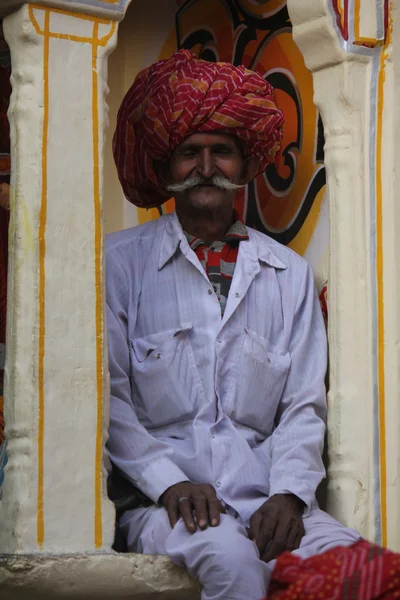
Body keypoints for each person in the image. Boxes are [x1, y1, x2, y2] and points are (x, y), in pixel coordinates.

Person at [106, 50, 360, 600]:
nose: (205, 166)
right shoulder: (118, 265)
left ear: (245, 168)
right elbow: (109, 400)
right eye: (189, 153)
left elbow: (302, 405)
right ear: (165, 168)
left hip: (269, 500)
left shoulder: (288, 273)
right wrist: (169, 482)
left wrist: (291, 494)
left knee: (358, 573)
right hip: (163, 506)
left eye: (222, 152)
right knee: (233, 565)